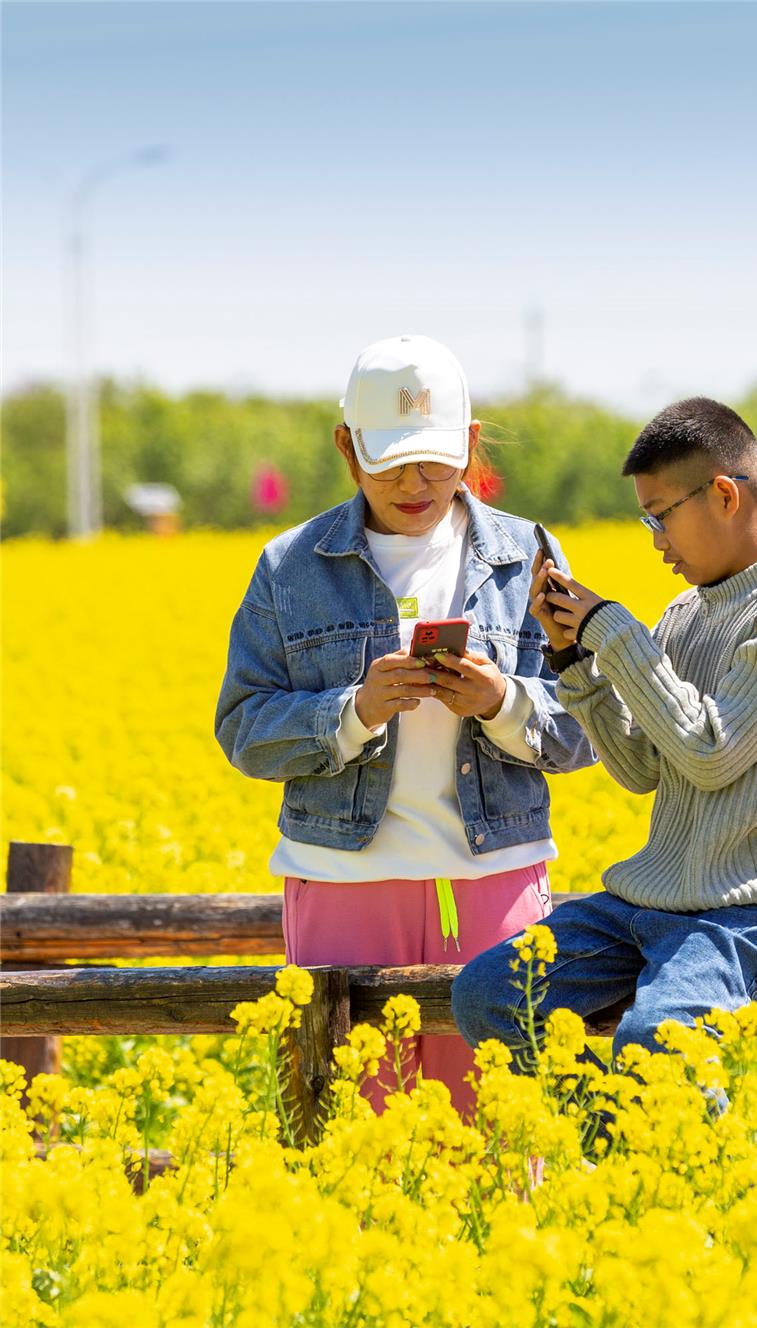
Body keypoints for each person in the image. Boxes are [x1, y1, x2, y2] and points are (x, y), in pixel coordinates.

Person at [215, 334, 595, 1114]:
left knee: (497, 1137)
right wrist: (351, 712)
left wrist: (502, 704)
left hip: (495, 877)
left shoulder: (528, 553)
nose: (414, 483)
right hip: (344, 881)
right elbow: (244, 728)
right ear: (346, 449)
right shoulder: (289, 566)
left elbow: (593, 724)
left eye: (434, 460)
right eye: (389, 461)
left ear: (470, 443)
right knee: (352, 1134)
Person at [452, 397, 757, 1076]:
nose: (655, 539)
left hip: (748, 916)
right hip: (648, 902)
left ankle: (667, 1164)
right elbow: (638, 767)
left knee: (656, 1043)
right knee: (487, 996)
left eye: (659, 516)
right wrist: (574, 658)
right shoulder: (685, 613)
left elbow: (709, 754)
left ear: (722, 495)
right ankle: (617, 1158)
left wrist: (614, 631)